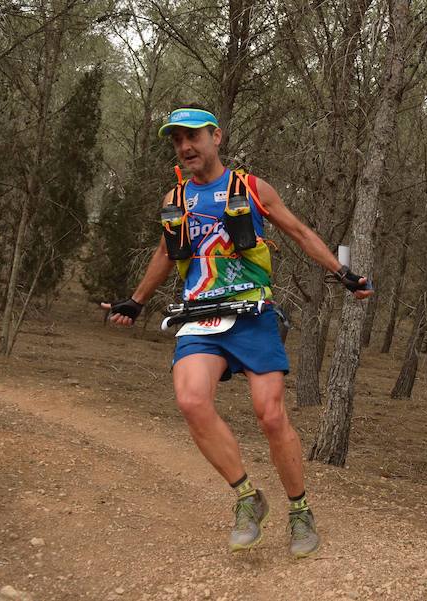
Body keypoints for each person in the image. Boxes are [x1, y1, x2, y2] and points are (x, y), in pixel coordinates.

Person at [102, 105, 372, 558]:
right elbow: (167, 253)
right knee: (191, 400)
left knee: (270, 415)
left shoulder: (249, 187)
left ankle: (300, 509)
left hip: (251, 313)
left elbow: (299, 231)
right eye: (177, 140)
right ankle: (248, 497)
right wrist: (137, 299)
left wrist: (342, 273)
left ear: (216, 137)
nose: (185, 147)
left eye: (194, 137)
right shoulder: (176, 198)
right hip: (199, 317)